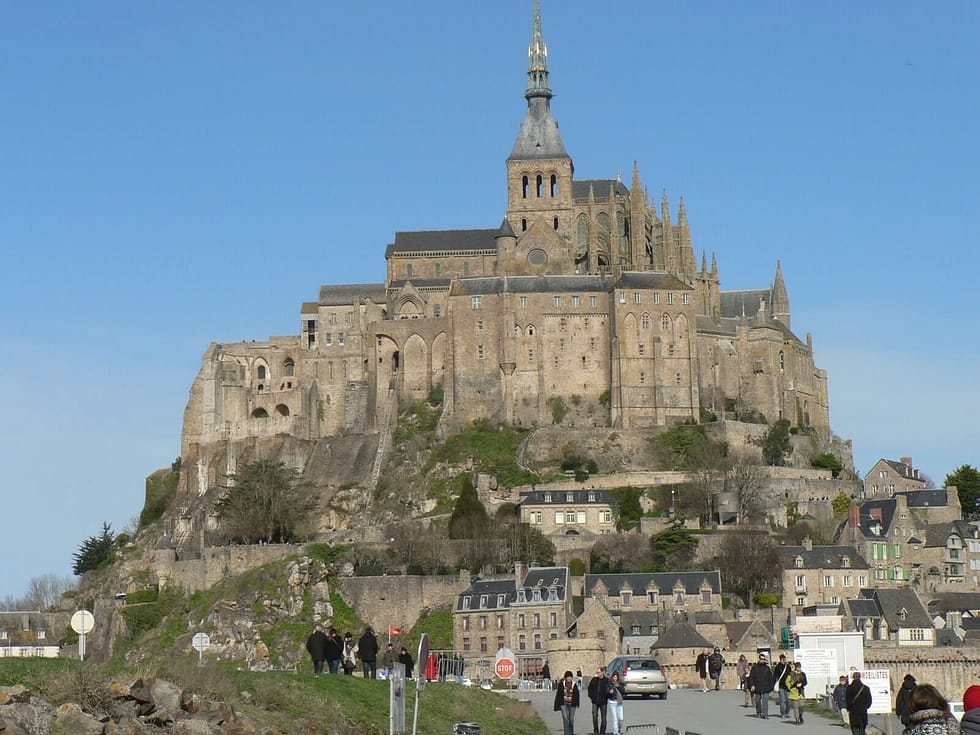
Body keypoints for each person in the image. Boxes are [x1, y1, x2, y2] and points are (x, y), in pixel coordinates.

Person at [748, 653, 774, 719]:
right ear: (759, 659)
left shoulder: (767, 668)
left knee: (765, 701)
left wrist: (770, 687)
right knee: (757, 701)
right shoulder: (755, 668)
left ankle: (765, 714)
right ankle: (759, 712)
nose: (762, 660)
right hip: (757, 687)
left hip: (765, 687)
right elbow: (751, 677)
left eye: (763, 659)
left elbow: (770, 678)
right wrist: (752, 685)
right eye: (761, 659)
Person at [845, 671, 872, 735]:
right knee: (862, 728)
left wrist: (849, 708)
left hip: (853, 711)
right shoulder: (865, 688)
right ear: (860, 677)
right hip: (863, 711)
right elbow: (869, 701)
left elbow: (847, 701)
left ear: (853, 677)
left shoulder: (849, 688)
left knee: (854, 728)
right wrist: (865, 707)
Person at [553, 670, 580, 735]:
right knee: (565, 718)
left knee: (571, 720)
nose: (569, 678)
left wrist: (577, 703)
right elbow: (558, 694)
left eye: (570, 677)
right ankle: (567, 733)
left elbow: (577, 695)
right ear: (565, 677)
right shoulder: (561, 684)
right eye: (568, 677)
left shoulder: (574, 685)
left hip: (572, 704)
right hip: (564, 703)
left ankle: (571, 732)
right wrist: (556, 705)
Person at [588, 666, 610, 735]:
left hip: (603, 702)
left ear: (603, 672)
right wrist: (592, 697)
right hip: (595, 701)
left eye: (599, 672)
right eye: (597, 672)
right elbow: (589, 688)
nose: (597, 673)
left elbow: (609, 690)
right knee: (594, 716)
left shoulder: (606, 680)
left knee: (604, 718)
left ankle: (602, 732)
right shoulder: (594, 680)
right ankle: (596, 731)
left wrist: (606, 696)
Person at [772, 653, 792, 719]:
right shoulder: (777, 667)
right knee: (782, 701)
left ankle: (787, 712)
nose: (784, 661)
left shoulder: (788, 667)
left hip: (788, 687)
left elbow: (791, 676)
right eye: (782, 659)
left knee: (788, 701)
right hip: (781, 686)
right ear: (780, 660)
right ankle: (782, 713)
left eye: (784, 659)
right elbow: (775, 677)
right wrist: (773, 685)